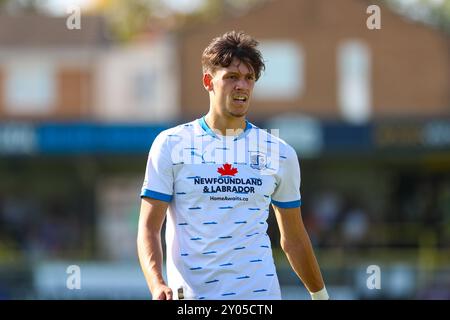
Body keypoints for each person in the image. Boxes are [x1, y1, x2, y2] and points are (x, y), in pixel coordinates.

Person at [137, 31, 328, 300]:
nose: (242, 86)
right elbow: (148, 228)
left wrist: (321, 296)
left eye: (249, 78)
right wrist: (157, 284)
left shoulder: (278, 152)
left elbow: (294, 239)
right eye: (232, 77)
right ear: (208, 82)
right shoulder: (171, 144)